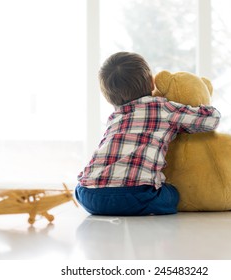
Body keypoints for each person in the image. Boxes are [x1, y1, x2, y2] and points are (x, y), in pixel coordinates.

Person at [75, 52, 221, 216]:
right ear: (152, 83)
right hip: (135, 194)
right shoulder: (162, 108)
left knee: (86, 187)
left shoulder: (114, 118)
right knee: (172, 194)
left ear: (109, 97)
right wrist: (204, 105)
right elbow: (211, 120)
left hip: (88, 194)